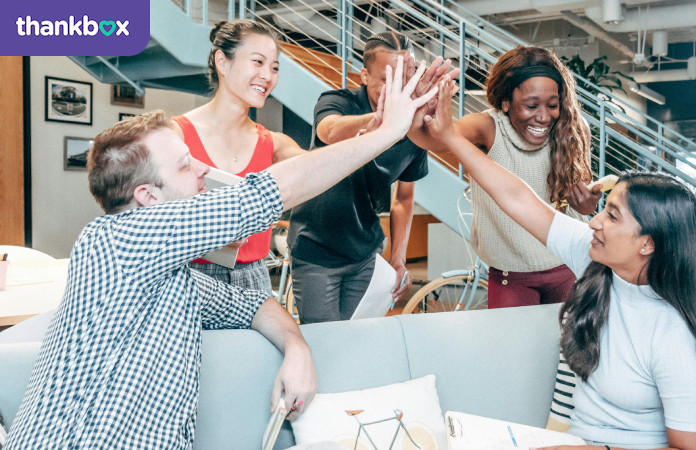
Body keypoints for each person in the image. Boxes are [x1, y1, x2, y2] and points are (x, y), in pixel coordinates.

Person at [5, 57, 437, 448]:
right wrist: (387, 133)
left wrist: (297, 347)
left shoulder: (173, 275)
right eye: (183, 165)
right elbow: (268, 192)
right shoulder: (117, 240)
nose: (203, 171)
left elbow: (256, 303)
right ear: (147, 198)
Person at [422, 81, 696, 449]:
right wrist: (449, 137)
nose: (593, 221)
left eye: (613, 216)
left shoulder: (673, 336)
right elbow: (517, 198)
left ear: (648, 243)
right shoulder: (594, 260)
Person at [409, 46, 602, 309]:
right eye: (531, 105)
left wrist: (587, 207)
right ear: (505, 102)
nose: (544, 116)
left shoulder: (572, 129)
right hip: (511, 276)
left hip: (568, 266)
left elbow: (580, 206)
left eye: (553, 105)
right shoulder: (487, 127)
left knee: (567, 348)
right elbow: (434, 140)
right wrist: (417, 110)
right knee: (510, 349)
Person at [287, 31, 454, 324]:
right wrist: (378, 123)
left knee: (359, 341)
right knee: (325, 343)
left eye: (406, 80)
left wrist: (399, 259)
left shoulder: (413, 129)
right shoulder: (338, 101)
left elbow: (404, 198)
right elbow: (329, 130)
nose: (399, 91)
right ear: (364, 75)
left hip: (365, 253)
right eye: (387, 81)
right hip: (317, 250)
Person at [173, 19, 307, 290]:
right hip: (189, 276)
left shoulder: (274, 144)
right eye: (258, 62)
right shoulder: (176, 135)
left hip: (255, 279)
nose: (268, 76)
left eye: (274, 68)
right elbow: (147, 212)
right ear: (222, 62)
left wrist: (377, 135)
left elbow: (322, 170)